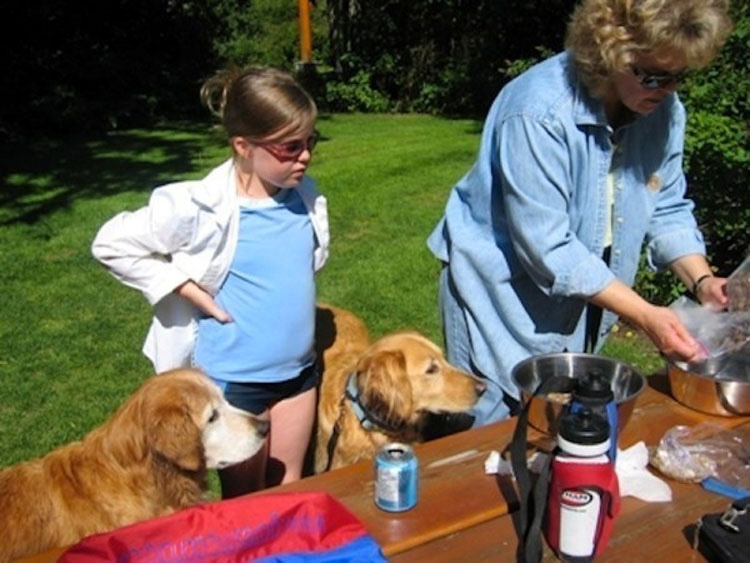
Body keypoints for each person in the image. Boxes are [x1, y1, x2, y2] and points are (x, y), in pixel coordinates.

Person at [427, 0, 733, 427]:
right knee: (486, 436)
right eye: (654, 75)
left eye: (680, 77)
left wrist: (702, 281)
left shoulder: (663, 111)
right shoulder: (537, 111)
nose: (668, 90)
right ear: (611, 52)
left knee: (558, 431)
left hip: (584, 299)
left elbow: (667, 205)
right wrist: (646, 315)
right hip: (499, 299)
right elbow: (548, 248)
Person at [92, 67, 329, 496]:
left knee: (290, 486)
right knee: (245, 499)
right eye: (290, 147)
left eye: (311, 142)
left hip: (298, 375)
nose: (305, 156)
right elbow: (110, 243)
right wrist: (183, 286)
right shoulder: (198, 208)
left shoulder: (304, 199)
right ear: (243, 146)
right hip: (235, 383)